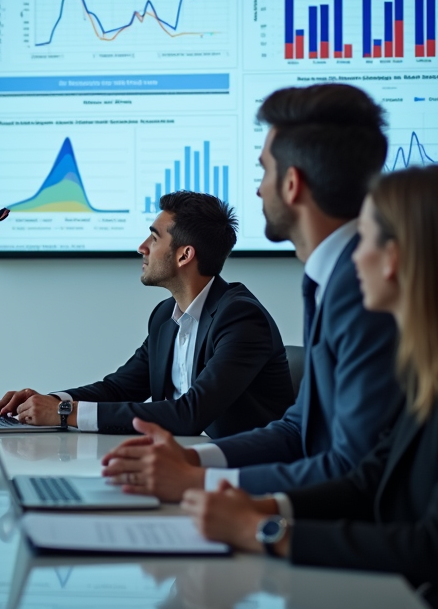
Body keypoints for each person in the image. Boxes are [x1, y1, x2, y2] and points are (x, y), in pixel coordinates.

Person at [180, 166, 438, 609]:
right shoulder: (432, 370)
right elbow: (368, 480)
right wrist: (265, 508)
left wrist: (263, 532)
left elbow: (435, 547)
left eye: (362, 240)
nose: (353, 259)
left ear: (395, 258)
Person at [102, 84, 401, 498]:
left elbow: (352, 465)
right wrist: (193, 462)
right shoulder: (330, 279)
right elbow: (298, 429)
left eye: (264, 171)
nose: (259, 189)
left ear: (292, 184)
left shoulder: (364, 290)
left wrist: (202, 482)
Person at [0, 192, 293, 437]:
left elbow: (191, 414)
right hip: (184, 463)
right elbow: (119, 388)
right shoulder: (165, 316)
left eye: (153, 238)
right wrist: (53, 401)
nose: (141, 248)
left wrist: (64, 415)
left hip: (246, 476)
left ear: (184, 254)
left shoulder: (240, 317)